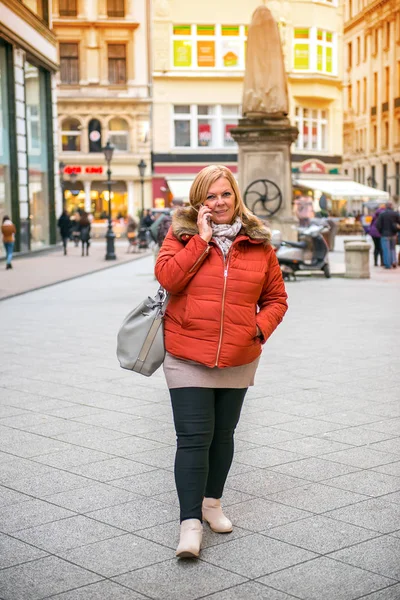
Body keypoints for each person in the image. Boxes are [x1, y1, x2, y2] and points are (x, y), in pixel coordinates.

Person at [155, 165, 288, 559]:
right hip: (187, 353)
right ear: (199, 201)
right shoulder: (180, 234)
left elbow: (276, 299)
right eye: (210, 196)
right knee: (194, 438)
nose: (219, 202)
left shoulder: (258, 242)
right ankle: (190, 524)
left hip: (238, 354)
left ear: (236, 197)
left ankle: (213, 503)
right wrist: (200, 240)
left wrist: (257, 329)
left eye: (225, 194)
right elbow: (168, 279)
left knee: (224, 435)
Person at [376, 202, 400, 269]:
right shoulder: (395, 214)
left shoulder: (382, 214)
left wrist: (381, 232)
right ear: (391, 206)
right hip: (393, 234)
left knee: (386, 249)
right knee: (393, 249)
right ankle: (394, 261)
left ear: (385, 207)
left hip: (384, 234)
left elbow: (378, 225)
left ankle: (387, 264)